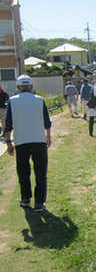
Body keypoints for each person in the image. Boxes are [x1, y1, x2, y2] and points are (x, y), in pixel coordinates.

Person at [5, 74, 52, 213]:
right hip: (38, 140)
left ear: (18, 87)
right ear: (31, 87)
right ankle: (39, 202)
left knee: (23, 171)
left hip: (21, 141)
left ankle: (25, 198)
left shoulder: (12, 101)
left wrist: (8, 142)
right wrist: (48, 136)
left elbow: (8, 125)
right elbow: (46, 121)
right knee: (40, 171)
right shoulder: (39, 100)